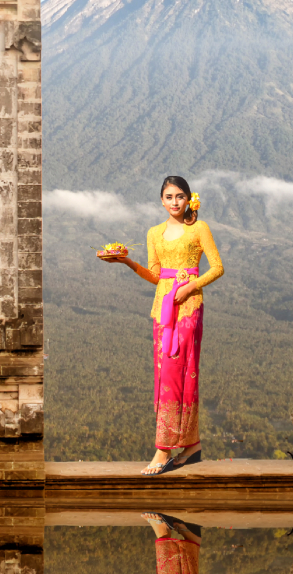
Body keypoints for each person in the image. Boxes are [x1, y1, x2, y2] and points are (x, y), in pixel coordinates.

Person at [97, 175, 224, 475]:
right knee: (164, 373)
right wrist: (127, 262)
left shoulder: (199, 228)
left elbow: (217, 267)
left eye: (180, 196)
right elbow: (156, 275)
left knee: (177, 372)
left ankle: (163, 449)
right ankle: (191, 445)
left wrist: (190, 287)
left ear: (189, 198)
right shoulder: (154, 232)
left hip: (188, 308)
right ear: (161, 200)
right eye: (168, 197)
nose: (174, 202)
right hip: (161, 308)